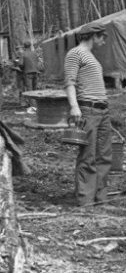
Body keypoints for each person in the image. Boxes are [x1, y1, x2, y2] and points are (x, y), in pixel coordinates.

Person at [65, 23, 111, 206]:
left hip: (103, 110)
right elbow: (69, 82)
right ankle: (85, 200)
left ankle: (100, 198)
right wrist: (74, 106)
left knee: (104, 156)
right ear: (93, 36)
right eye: (102, 37)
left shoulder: (91, 56)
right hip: (88, 109)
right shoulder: (75, 53)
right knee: (88, 156)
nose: (104, 40)